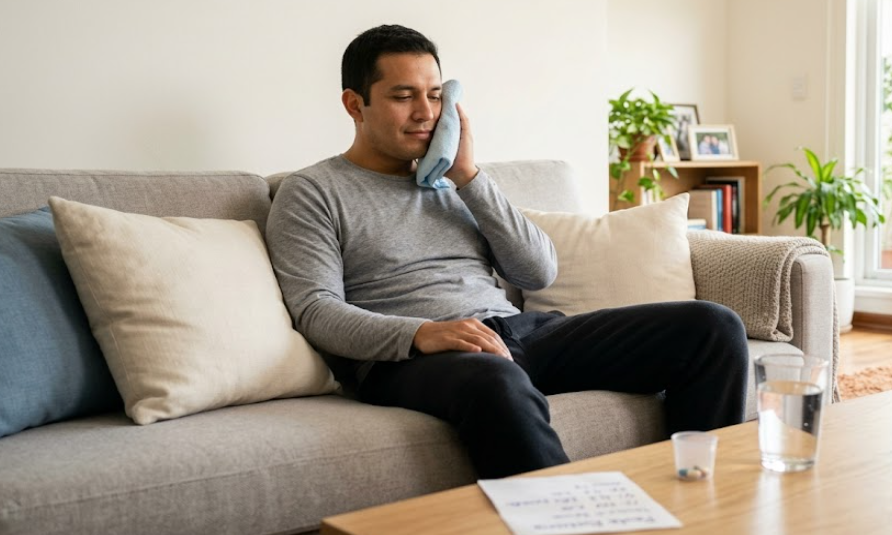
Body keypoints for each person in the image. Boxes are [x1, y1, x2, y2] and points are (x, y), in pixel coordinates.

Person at [265, 24, 749, 479]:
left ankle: (701, 501)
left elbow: (538, 271)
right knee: (494, 379)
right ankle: (572, 522)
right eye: (402, 96)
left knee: (712, 327)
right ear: (355, 104)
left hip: (517, 333)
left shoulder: (456, 180)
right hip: (410, 360)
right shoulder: (313, 191)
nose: (425, 112)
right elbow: (315, 310)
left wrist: (469, 177)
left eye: (435, 96)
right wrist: (423, 333)